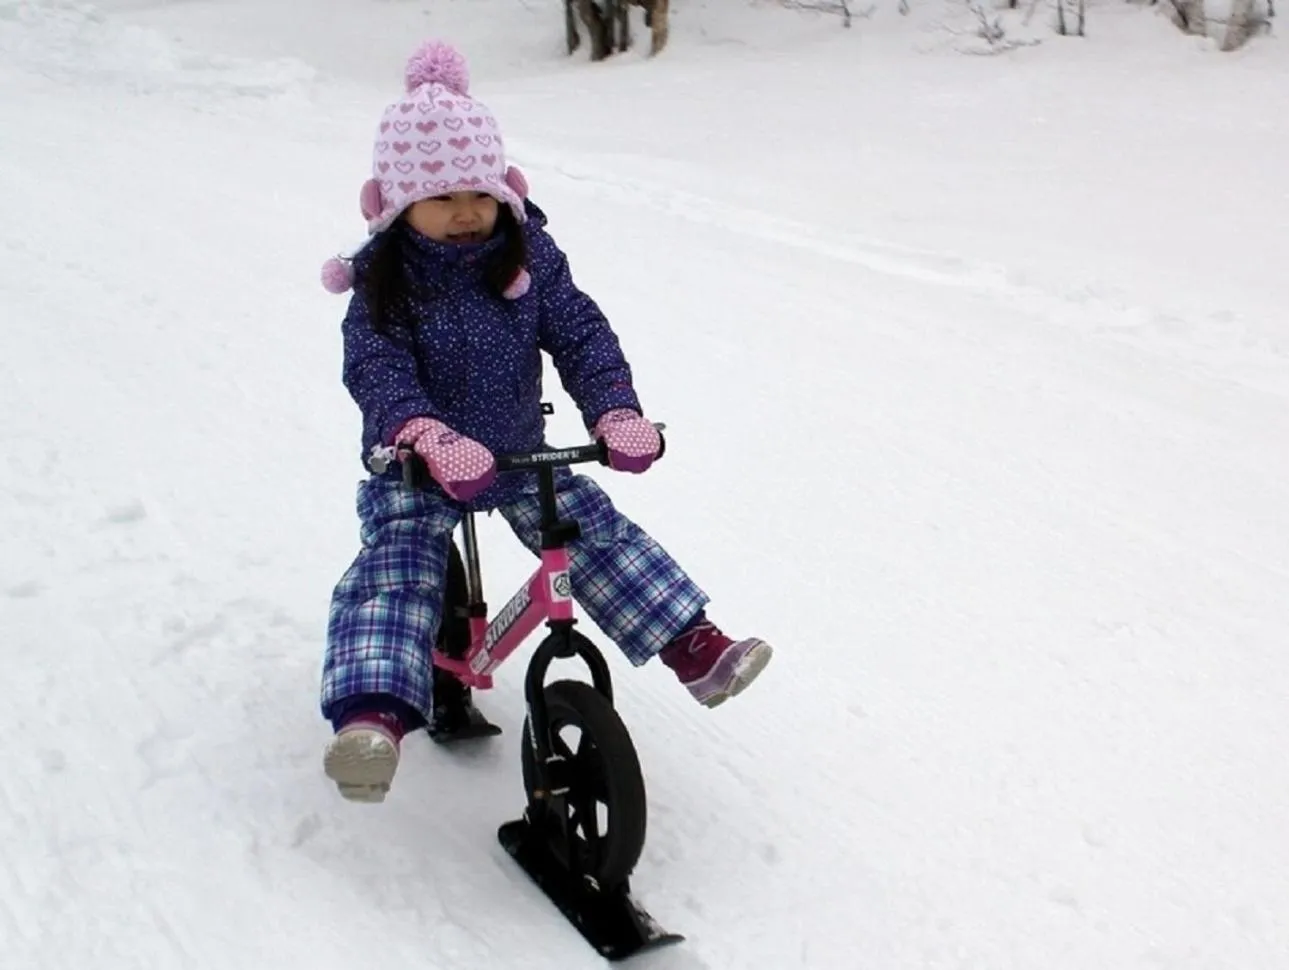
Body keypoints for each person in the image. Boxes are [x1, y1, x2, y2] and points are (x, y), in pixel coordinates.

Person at [315, 39, 773, 803]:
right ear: (398, 205)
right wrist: (424, 434)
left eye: (481, 194)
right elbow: (375, 369)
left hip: (516, 452)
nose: (467, 212)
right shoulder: (383, 285)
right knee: (395, 570)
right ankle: (371, 719)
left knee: (592, 533)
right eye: (443, 197)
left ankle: (691, 644)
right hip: (417, 462)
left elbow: (579, 331)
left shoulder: (528, 257)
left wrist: (614, 407)